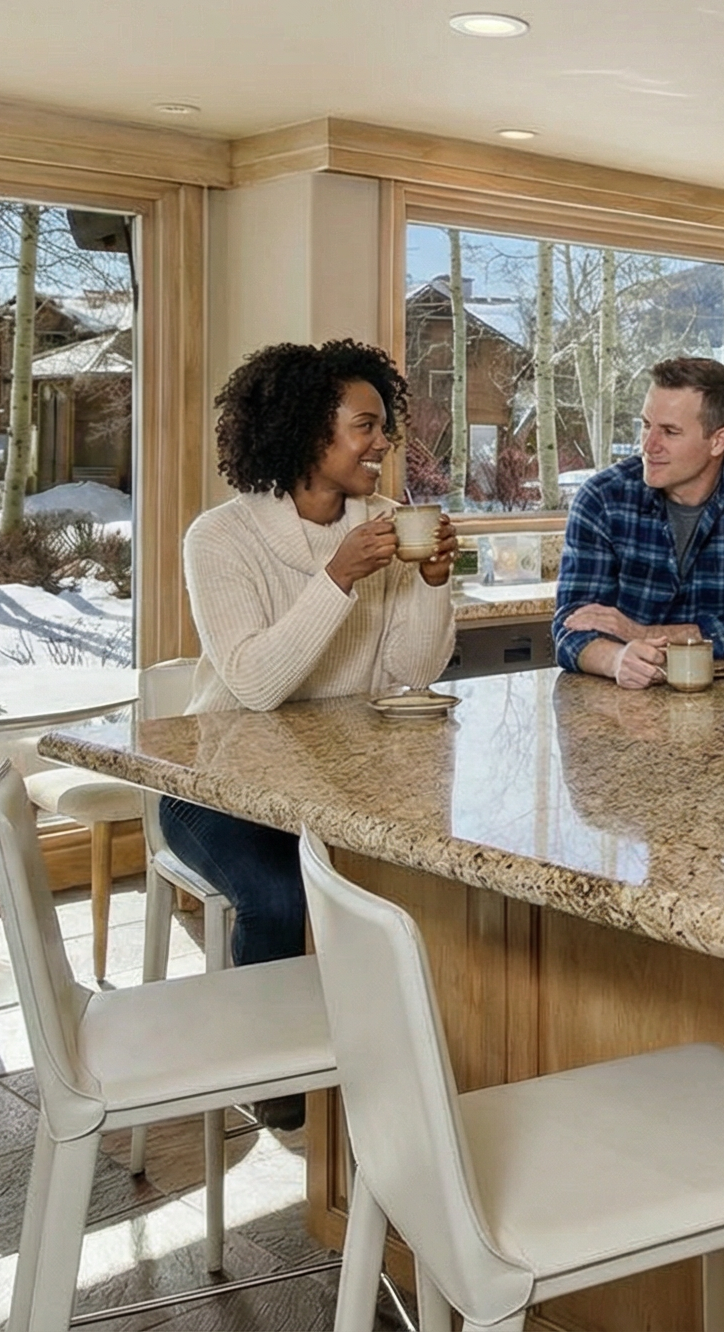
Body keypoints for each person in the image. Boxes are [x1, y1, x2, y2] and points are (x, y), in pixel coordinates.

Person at [162, 339, 457, 1119]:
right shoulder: (219, 539)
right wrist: (338, 577)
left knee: (425, 886)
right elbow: (256, 684)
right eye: (366, 426)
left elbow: (410, 672)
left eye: (382, 426)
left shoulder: (391, 525)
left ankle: (394, 1073)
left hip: (339, 783)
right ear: (305, 432)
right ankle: (278, 1094)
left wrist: (430, 584)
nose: (383, 442)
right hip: (218, 786)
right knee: (279, 898)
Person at [553, 356, 724, 687]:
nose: (649, 445)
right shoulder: (602, 498)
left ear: (718, 440)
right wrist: (616, 659)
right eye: (645, 425)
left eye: (669, 431)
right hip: (623, 708)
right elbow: (571, 629)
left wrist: (638, 633)